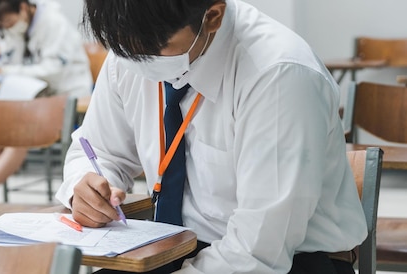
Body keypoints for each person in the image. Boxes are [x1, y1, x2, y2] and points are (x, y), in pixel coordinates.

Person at [55, 0, 367, 273]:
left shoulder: (278, 75)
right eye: (123, 47)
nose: (138, 61)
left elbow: (260, 249)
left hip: (289, 260)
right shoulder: (132, 51)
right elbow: (98, 150)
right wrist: (87, 186)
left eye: (154, 48)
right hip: (172, 247)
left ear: (213, 16)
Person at [0, 0, 92, 200]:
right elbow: (7, 60)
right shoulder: (12, 29)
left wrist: (8, 71)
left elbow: (53, 71)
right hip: (31, 98)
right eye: (3, 25)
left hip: (64, 97)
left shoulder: (54, 23)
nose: (7, 28)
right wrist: (1, 70)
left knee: (19, 134)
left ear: (23, 8)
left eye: (9, 21)